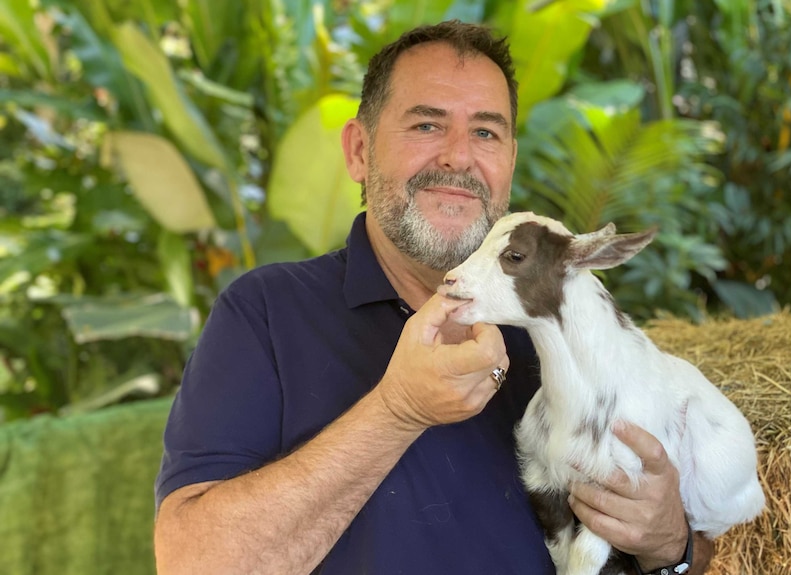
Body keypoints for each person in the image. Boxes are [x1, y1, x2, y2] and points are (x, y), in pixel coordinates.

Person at [153, 20, 715, 575]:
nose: (458, 157)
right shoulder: (267, 313)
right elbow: (193, 562)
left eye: (486, 133)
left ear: (509, 164)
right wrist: (397, 411)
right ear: (358, 151)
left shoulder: (561, 325)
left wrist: (671, 544)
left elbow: (695, 544)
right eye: (426, 125)